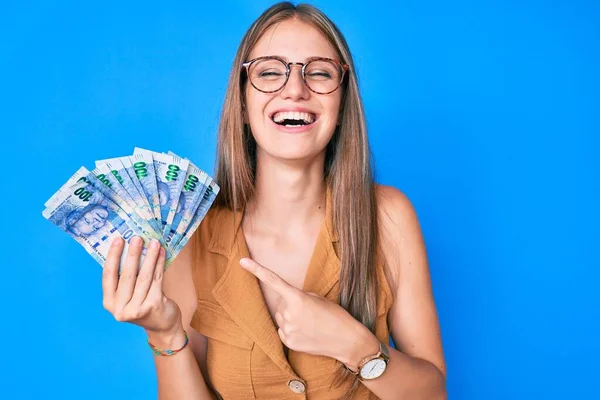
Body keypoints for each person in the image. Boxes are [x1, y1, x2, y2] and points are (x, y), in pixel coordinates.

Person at [101, 2, 447, 399]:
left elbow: (433, 393)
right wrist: (164, 332)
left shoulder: (388, 216)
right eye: (269, 72)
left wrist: (355, 345)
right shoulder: (193, 231)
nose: (295, 89)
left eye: (319, 73)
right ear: (244, 105)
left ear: (342, 103)